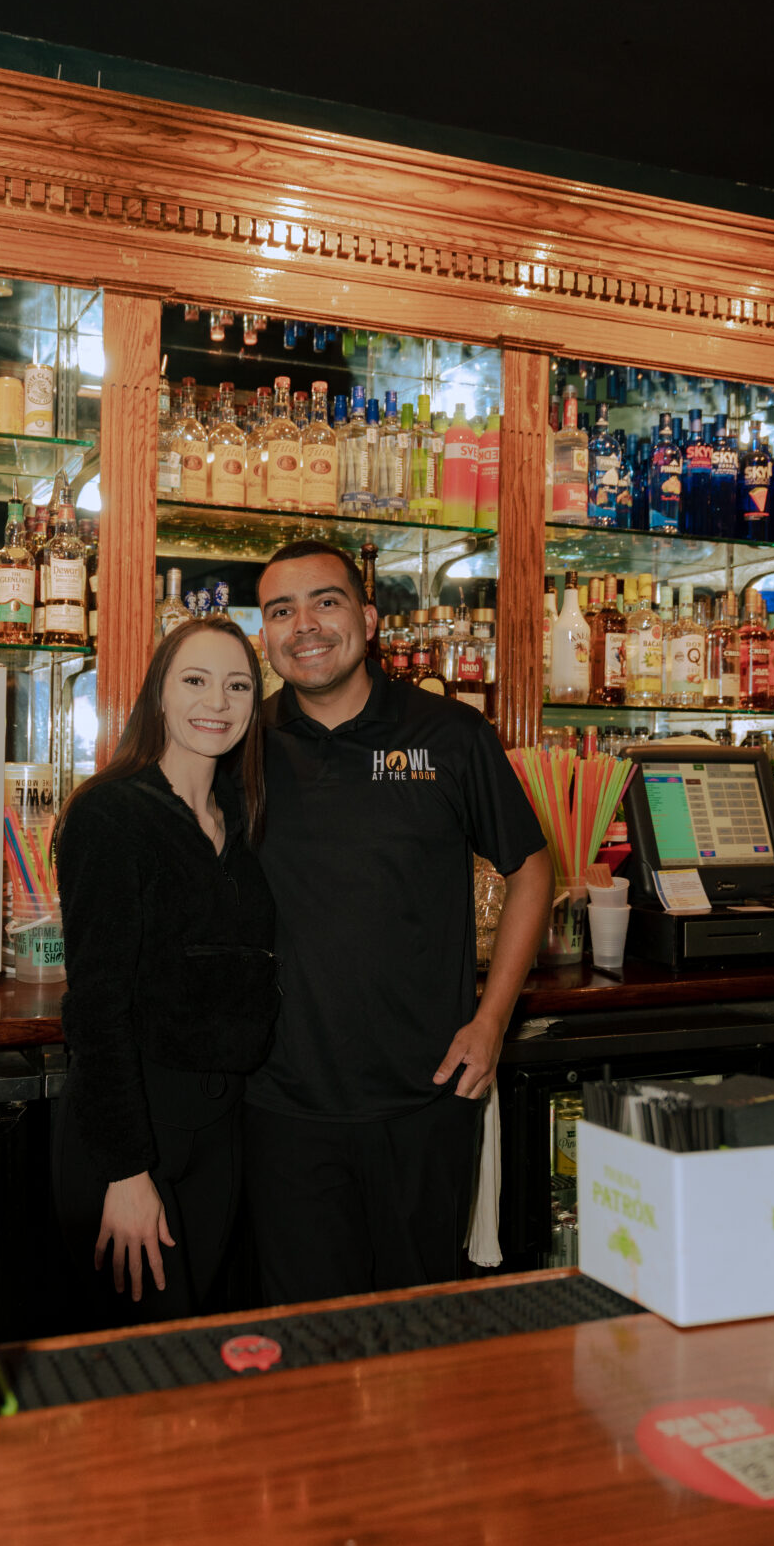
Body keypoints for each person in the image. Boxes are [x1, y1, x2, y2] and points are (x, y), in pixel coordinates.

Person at [245, 539, 553, 1305]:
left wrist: (491, 1024)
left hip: (425, 1098)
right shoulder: (245, 744)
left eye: (326, 602)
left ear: (370, 619)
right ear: (265, 635)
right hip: (282, 1105)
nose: (304, 625)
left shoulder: (448, 737)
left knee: (420, 1336)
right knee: (309, 1338)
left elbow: (532, 871)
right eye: (281, 610)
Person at [51, 616, 277, 1322]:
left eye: (238, 685)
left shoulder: (242, 822)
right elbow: (95, 1006)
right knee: (136, 1366)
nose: (218, 702)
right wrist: (125, 1170)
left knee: (198, 1350)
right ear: (158, 696)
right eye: (195, 681)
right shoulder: (112, 814)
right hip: (131, 1131)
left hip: (220, 1130)